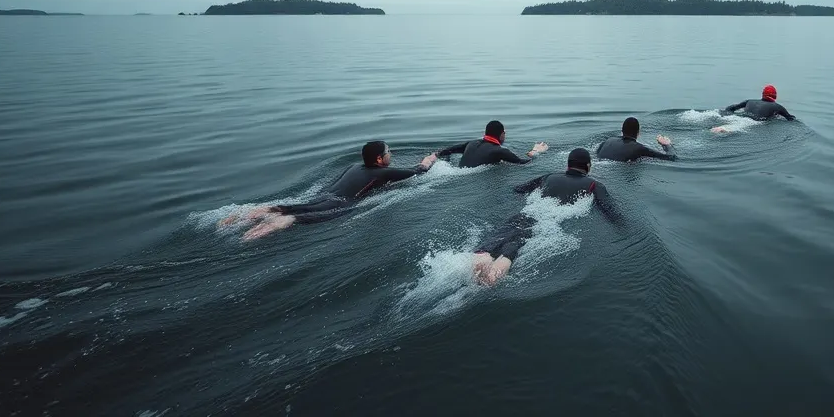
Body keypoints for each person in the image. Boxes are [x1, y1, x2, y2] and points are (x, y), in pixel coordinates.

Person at [219, 141, 438, 240]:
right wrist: (430, 159)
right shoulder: (384, 173)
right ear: (380, 159)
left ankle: (256, 213)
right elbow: (419, 171)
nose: (392, 153)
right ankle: (283, 221)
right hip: (340, 203)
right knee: (302, 217)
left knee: (293, 207)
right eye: (389, 151)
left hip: (324, 195)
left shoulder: (354, 167)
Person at [472, 148, 620, 286]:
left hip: (528, 212)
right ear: (588, 166)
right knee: (518, 242)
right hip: (548, 220)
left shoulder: (549, 177)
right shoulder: (594, 185)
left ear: (568, 165)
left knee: (503, 233)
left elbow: (518, 189)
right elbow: (610, 211)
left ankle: (482, 257)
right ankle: (494, 274)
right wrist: (621, 226)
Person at [436, 120, 548, 168]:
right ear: (502, 134)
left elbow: (446, 151)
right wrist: (535, 151)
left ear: (485, 133)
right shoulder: (500, 151)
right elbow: (524, 163)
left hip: (453, 171)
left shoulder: (471, 143)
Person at [712, 84, 796, 133]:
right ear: (775, 96)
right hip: (754, 123)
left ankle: (722, 128)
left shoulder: (749, 101)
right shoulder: (777, 107)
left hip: (740, 118)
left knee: (736, 125)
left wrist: (725, 113)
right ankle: (723, 130)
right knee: (739, 127)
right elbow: (790, 118)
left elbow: (732, 108)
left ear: (763, 94)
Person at [596, 117, 676, 162]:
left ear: (622, 130)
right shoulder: (640, 148)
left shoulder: (609, 140)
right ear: (638, 133)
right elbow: (670, 157)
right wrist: (667, 144)